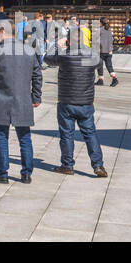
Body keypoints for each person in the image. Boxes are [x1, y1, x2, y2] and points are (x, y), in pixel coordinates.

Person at [0, 20, 43, 183]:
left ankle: (2, 172)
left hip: (1, 98)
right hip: (23, 99)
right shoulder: (28, 49)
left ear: (2, 31)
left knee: (1, 136)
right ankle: (27, 173)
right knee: (25, 137)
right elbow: (37, 74)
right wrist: (36, 96)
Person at [45, 27, 107, 178]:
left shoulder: (64, 55)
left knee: (67, 134)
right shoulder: (91, 55)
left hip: (67, 100)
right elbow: (99, 63)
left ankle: (67, 165)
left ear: (68, 41)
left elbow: (46, 58)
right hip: (85, 101)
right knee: (90, 133)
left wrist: (56, 44)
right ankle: (98, 165)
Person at [95, 18, 119, 87]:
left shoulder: (100, 30)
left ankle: (101, 79)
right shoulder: (109, 30)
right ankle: (114, 78)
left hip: (101, 51)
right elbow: (112, 40)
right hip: (109, 51)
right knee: (109, 66)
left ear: (101, 23)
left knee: (99, 65)